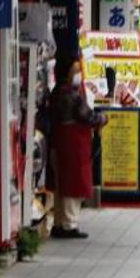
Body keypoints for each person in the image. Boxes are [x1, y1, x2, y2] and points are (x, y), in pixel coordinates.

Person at [43, 58, 105, 238]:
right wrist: (103, 119)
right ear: (67, 74)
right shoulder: (71, 95)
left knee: (61, 183)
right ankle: (69, 224)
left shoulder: (55, 93)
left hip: (57, 141)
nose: (79, 74)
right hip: (73, 144)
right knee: (74, 182)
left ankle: (59, 222)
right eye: (76, 71)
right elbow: (88, 116)